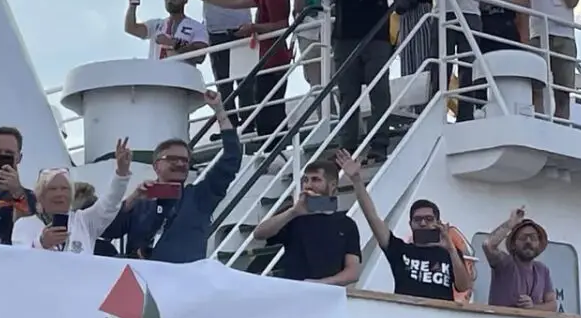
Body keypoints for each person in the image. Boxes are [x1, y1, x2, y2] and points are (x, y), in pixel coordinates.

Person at [101, 91, 242, 263]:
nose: (180, 163)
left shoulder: (200, 196)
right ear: (156, 165)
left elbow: (231, 158)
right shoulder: (140, 202)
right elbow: (107, 231)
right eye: (172, 159)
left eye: (185, 160)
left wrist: (219, 111)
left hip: (184, 278)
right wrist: (132, 199)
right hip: (144, 278)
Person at [324, 0, 405, 162]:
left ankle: (379, 144)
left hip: (377, 35)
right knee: (347, 94)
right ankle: (346, 148)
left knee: (379, 91)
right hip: (345, 35)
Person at [192, 0, 293, 144]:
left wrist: (253, 27)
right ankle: (271, 146)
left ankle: (272, 147)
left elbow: (282, 25)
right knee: (266, 106)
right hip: (269, 57)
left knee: (269, 108)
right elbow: (236, 2)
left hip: (274, 58)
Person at [189, 0, 260, 127]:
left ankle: (249, 124)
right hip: (217, 32)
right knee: (224, 82)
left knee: (247, 81)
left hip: (243, 30)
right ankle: (229, 124)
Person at [252, 156, 361, 285]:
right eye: (305, 180)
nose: (308, 185)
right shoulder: (293, 215)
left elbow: (352, 272)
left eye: (316, 180)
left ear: (332, 185)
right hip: (294, 291)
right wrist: (293, 212)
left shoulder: (346, 224)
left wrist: (319, 284)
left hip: (327, 293)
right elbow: (259, 234)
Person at [12, 138, 132, 254]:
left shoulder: (84, 222)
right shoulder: (24, 225)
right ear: (40, 196)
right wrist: (42, 243)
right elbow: (20, 261)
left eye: (64, 189)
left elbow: (109, 203)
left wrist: (121, 173)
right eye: (52, 189)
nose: (59, 194)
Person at [356, 192, 472, 300]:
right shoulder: (400, 250)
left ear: (438, 223)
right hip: (405, 313)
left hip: (439, 314)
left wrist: (451, 249)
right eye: (417, 219)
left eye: (429, 219)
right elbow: (372, 217)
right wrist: (357, 181)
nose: (423, 223)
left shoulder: (450, 253)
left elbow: (463, 286)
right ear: (410, 224)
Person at [482, 206, 556, 311]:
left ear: (539, 244)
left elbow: (552, 305)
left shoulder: (542, 270)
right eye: (523, 238)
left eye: (533, 238)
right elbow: (488, 245)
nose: (528, 241)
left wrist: (533, 307)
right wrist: (511, 223)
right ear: (513, 244)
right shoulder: (505, 264)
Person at [0, 126, 37, 244]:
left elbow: (32, 229)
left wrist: (17, 193)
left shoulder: (34, 199)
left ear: (19, 158)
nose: (1, 157)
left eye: (9, 153)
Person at [124, 0, 209, 62]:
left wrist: (173, 43)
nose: (169, 1)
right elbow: (131, 28)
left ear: (184, 0)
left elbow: (200, 56)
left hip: (181, 72)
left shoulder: (197, 27)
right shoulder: (156, 24)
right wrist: (132, 4)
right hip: (156, 72)